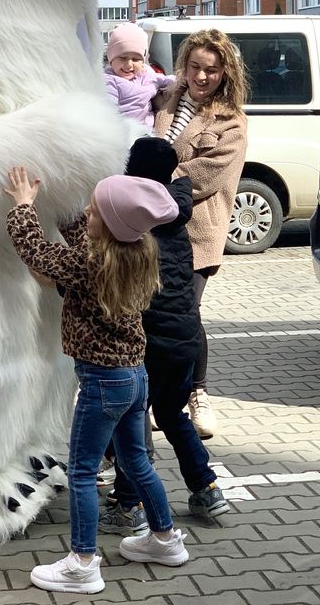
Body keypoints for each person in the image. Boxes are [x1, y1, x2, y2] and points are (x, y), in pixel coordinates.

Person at [4, 167, 189, 595]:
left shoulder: (88, 261)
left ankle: (83, 563)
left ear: (106, 226)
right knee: (137, 461)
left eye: (92, 211)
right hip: (134, 376)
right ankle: (164, 540)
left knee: (84, 471)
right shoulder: (137, 248)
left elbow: (40, 255)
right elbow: (89, 233)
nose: (86, 213)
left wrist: (23, 207)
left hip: (103, 383)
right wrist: (66, 200)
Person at [98, 137, 230, 535]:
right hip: (186, 336)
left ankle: (128, 503)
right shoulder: (175, 211)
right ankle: (206, 488)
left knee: (132, 417)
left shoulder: (134, 220)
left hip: (150, 340)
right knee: (173, 414)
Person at [153, 29, 248, 439]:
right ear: (184, 66)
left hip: (196, 233)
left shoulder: (231, 122)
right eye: (195, 67)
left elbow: (204, 177)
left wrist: (149, 175)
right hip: (154, 225)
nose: (202, 76)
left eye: (210, 69)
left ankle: (198, 395)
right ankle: (162, 398)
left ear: (224, 71)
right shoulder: (165, 100)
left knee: (186, 316)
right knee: (155, 315)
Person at [104, 22, 175, 128]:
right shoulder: (109, 80)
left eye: (135, 59)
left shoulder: (147, 73)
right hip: (125, 132)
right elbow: (108, 112)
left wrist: (184, 81)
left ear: (143, 61)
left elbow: (166, 80)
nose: (129, 65)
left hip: (150, 127)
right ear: (111, 59)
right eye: (122, 58)